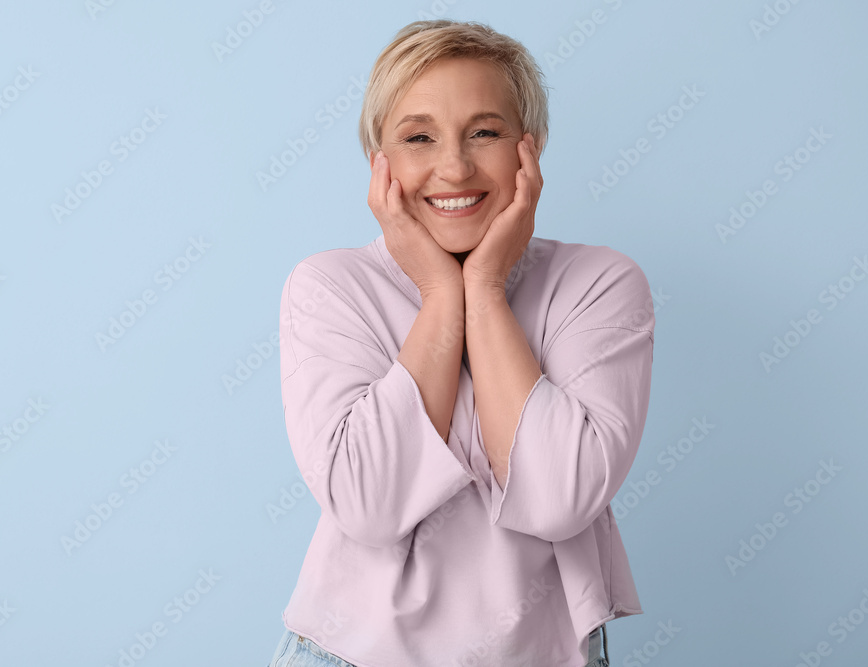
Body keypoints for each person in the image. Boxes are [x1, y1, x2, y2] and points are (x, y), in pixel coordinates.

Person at [269, 19, 654, 667]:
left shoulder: (600, 284)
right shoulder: (330, 287)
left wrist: (484, 286)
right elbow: (370, 503)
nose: (453, 166)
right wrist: (443, 299)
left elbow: (561, 496)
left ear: (528, 151)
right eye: (419, 137)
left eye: (485, 132)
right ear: (380, 165)